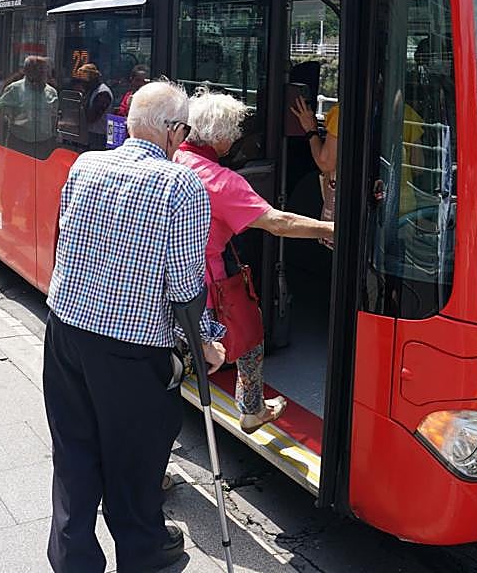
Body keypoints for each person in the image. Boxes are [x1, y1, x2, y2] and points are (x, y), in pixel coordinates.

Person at [45, 81, 226, 573]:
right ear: (172, 132)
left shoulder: (86, 164)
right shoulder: (181, 183)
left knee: (75, 453)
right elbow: (185, 284)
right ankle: (144, 554)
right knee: (134, 462)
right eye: (184, 130)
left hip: (65, 332)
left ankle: (72, 557)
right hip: (131, 348)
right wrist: (206, 341)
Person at [175, 91, 333, 433]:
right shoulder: (221, 181)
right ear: (218, 136)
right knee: (248, 332)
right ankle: (252, 409)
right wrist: (334, 228)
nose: (236, 137)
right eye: (233, 130)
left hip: (163, 276)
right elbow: (279, 223)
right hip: (205, 281)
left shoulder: (175, 158)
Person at [0, 55, 57, 159]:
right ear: (28, 71)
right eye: (39, 71)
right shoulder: (14, 89)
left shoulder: (52, 92)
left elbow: (53, 118)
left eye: (44, 71)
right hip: (19, 143)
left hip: (43, 145)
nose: (43, 74)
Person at [77, 63, 112, 150]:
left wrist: (83, 100)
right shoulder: (92, 91)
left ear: (92, 78)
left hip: (100, 135)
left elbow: (91, 117)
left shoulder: (103, 93)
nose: (82, 83)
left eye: (84, 80)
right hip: (90, 133)